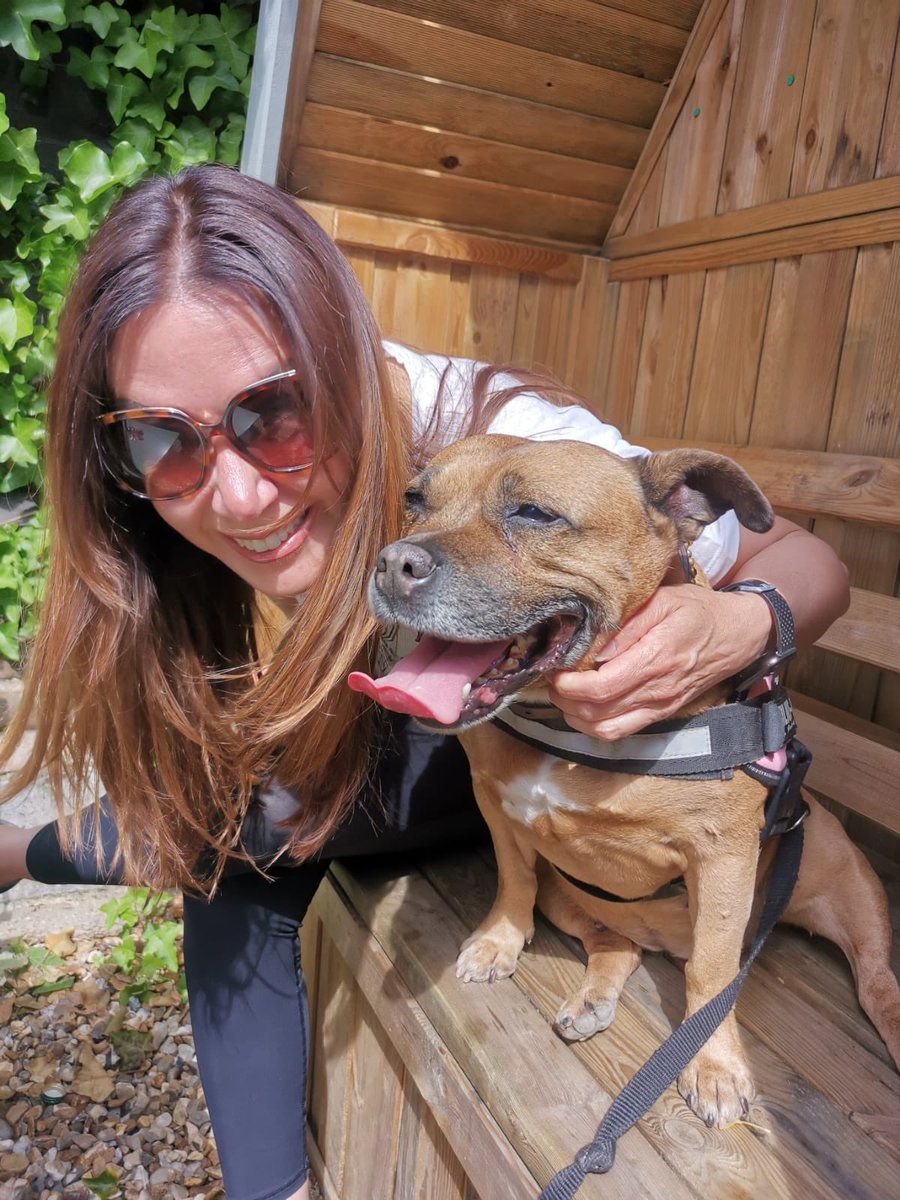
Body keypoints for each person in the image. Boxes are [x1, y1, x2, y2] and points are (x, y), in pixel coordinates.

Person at [0, 164, 849, 1200]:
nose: (232, 488)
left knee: (249, 836)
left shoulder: (505, 430)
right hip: (447, 728)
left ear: (348, 355)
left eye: (275, 412)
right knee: (236, 837)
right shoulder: (148, 515)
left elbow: (808, 562)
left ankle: (20, 854)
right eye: (159, 435)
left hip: (529, 756)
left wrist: (734, 622)